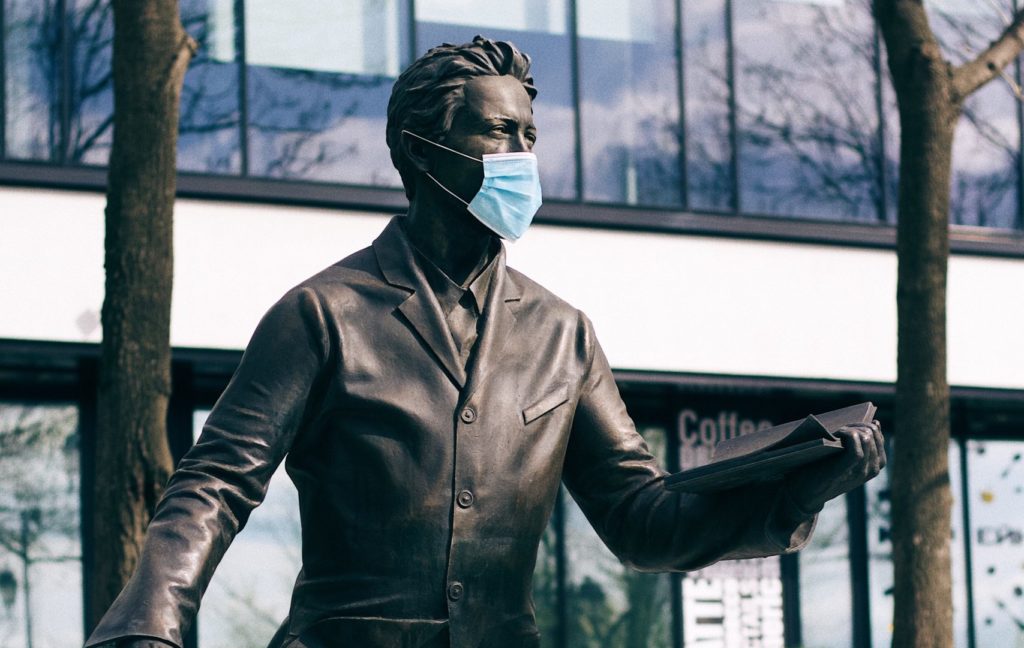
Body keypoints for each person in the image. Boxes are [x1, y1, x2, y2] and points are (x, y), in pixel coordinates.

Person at [86, 36, 884, 648]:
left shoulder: (562, 335)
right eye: (498, 133)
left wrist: (794, 489)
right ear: (417, 149)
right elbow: (215, 484)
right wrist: (151, 617)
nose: (522, 158)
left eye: (530, 136)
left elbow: (642, 520)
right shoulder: (322, 314)